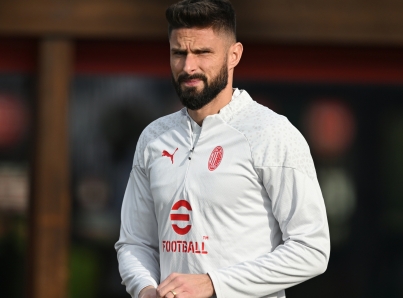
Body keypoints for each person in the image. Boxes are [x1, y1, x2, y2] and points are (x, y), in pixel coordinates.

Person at [114, 0, 330, 297]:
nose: (188, 66)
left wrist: (213, 283)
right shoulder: (154, 138)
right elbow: (135, 242)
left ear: (234, 55)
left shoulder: (272, 133)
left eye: (202, 52)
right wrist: (145, 289)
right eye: (179, 53)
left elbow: (312, 249)